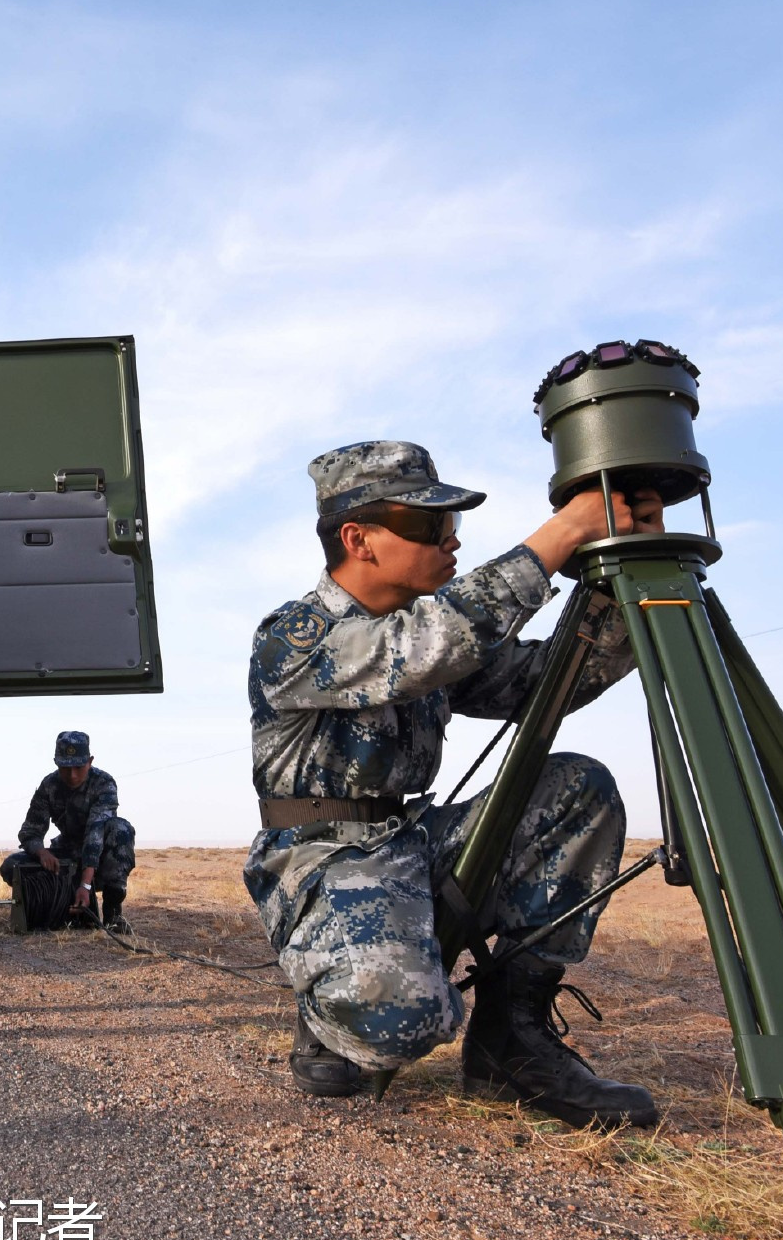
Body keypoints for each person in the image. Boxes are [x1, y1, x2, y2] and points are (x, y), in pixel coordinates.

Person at [242, 440, 662, 1129]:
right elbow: (427, 646)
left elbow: (542, 682)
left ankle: (510, 1039)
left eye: (452, 527)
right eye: (431, 528)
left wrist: (612, 578)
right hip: (322, 858)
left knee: (575, 789)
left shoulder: (431, 633)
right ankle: (327, 998)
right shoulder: (298, 638)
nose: (452, 542)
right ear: (360, 539)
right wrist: (561, 532)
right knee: (400, 1023)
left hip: (411, 841)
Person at [0, 731, 137, 932]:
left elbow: (95, 833)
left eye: (78, 767)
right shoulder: (49, 785)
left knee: (121, 829)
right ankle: (58, 906)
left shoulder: (104, 783)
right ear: (56, 763)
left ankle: (113, 915)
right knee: (11, 866)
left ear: (90, 762)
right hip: (67, 856)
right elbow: (30, 832)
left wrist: (86, 884)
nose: (72, 775)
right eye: (65, 768)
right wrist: (42, 853)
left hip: (98, 859)